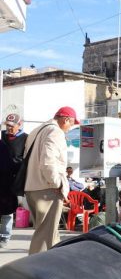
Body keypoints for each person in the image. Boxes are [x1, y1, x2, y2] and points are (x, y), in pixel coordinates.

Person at [24, 106, 78, 254]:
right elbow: (47, 162)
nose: (70, 128)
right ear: (66, 119)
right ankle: (34, 270)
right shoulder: (55, 132)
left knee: (49, 233)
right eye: (71, 124)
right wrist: (58, 183)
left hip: (32, 187)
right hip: (47, 188)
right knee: (45, 235)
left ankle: (55, 264)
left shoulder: (38, 130)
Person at [0, 113, 28, 248]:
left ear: (19, 124)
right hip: (1, 177)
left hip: (13, 180)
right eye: (7, 126)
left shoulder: (25, 139)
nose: (9, 129)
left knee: (8, 210)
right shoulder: (2, 136)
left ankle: (4, 238)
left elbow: (25, 159)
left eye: (12, 126)